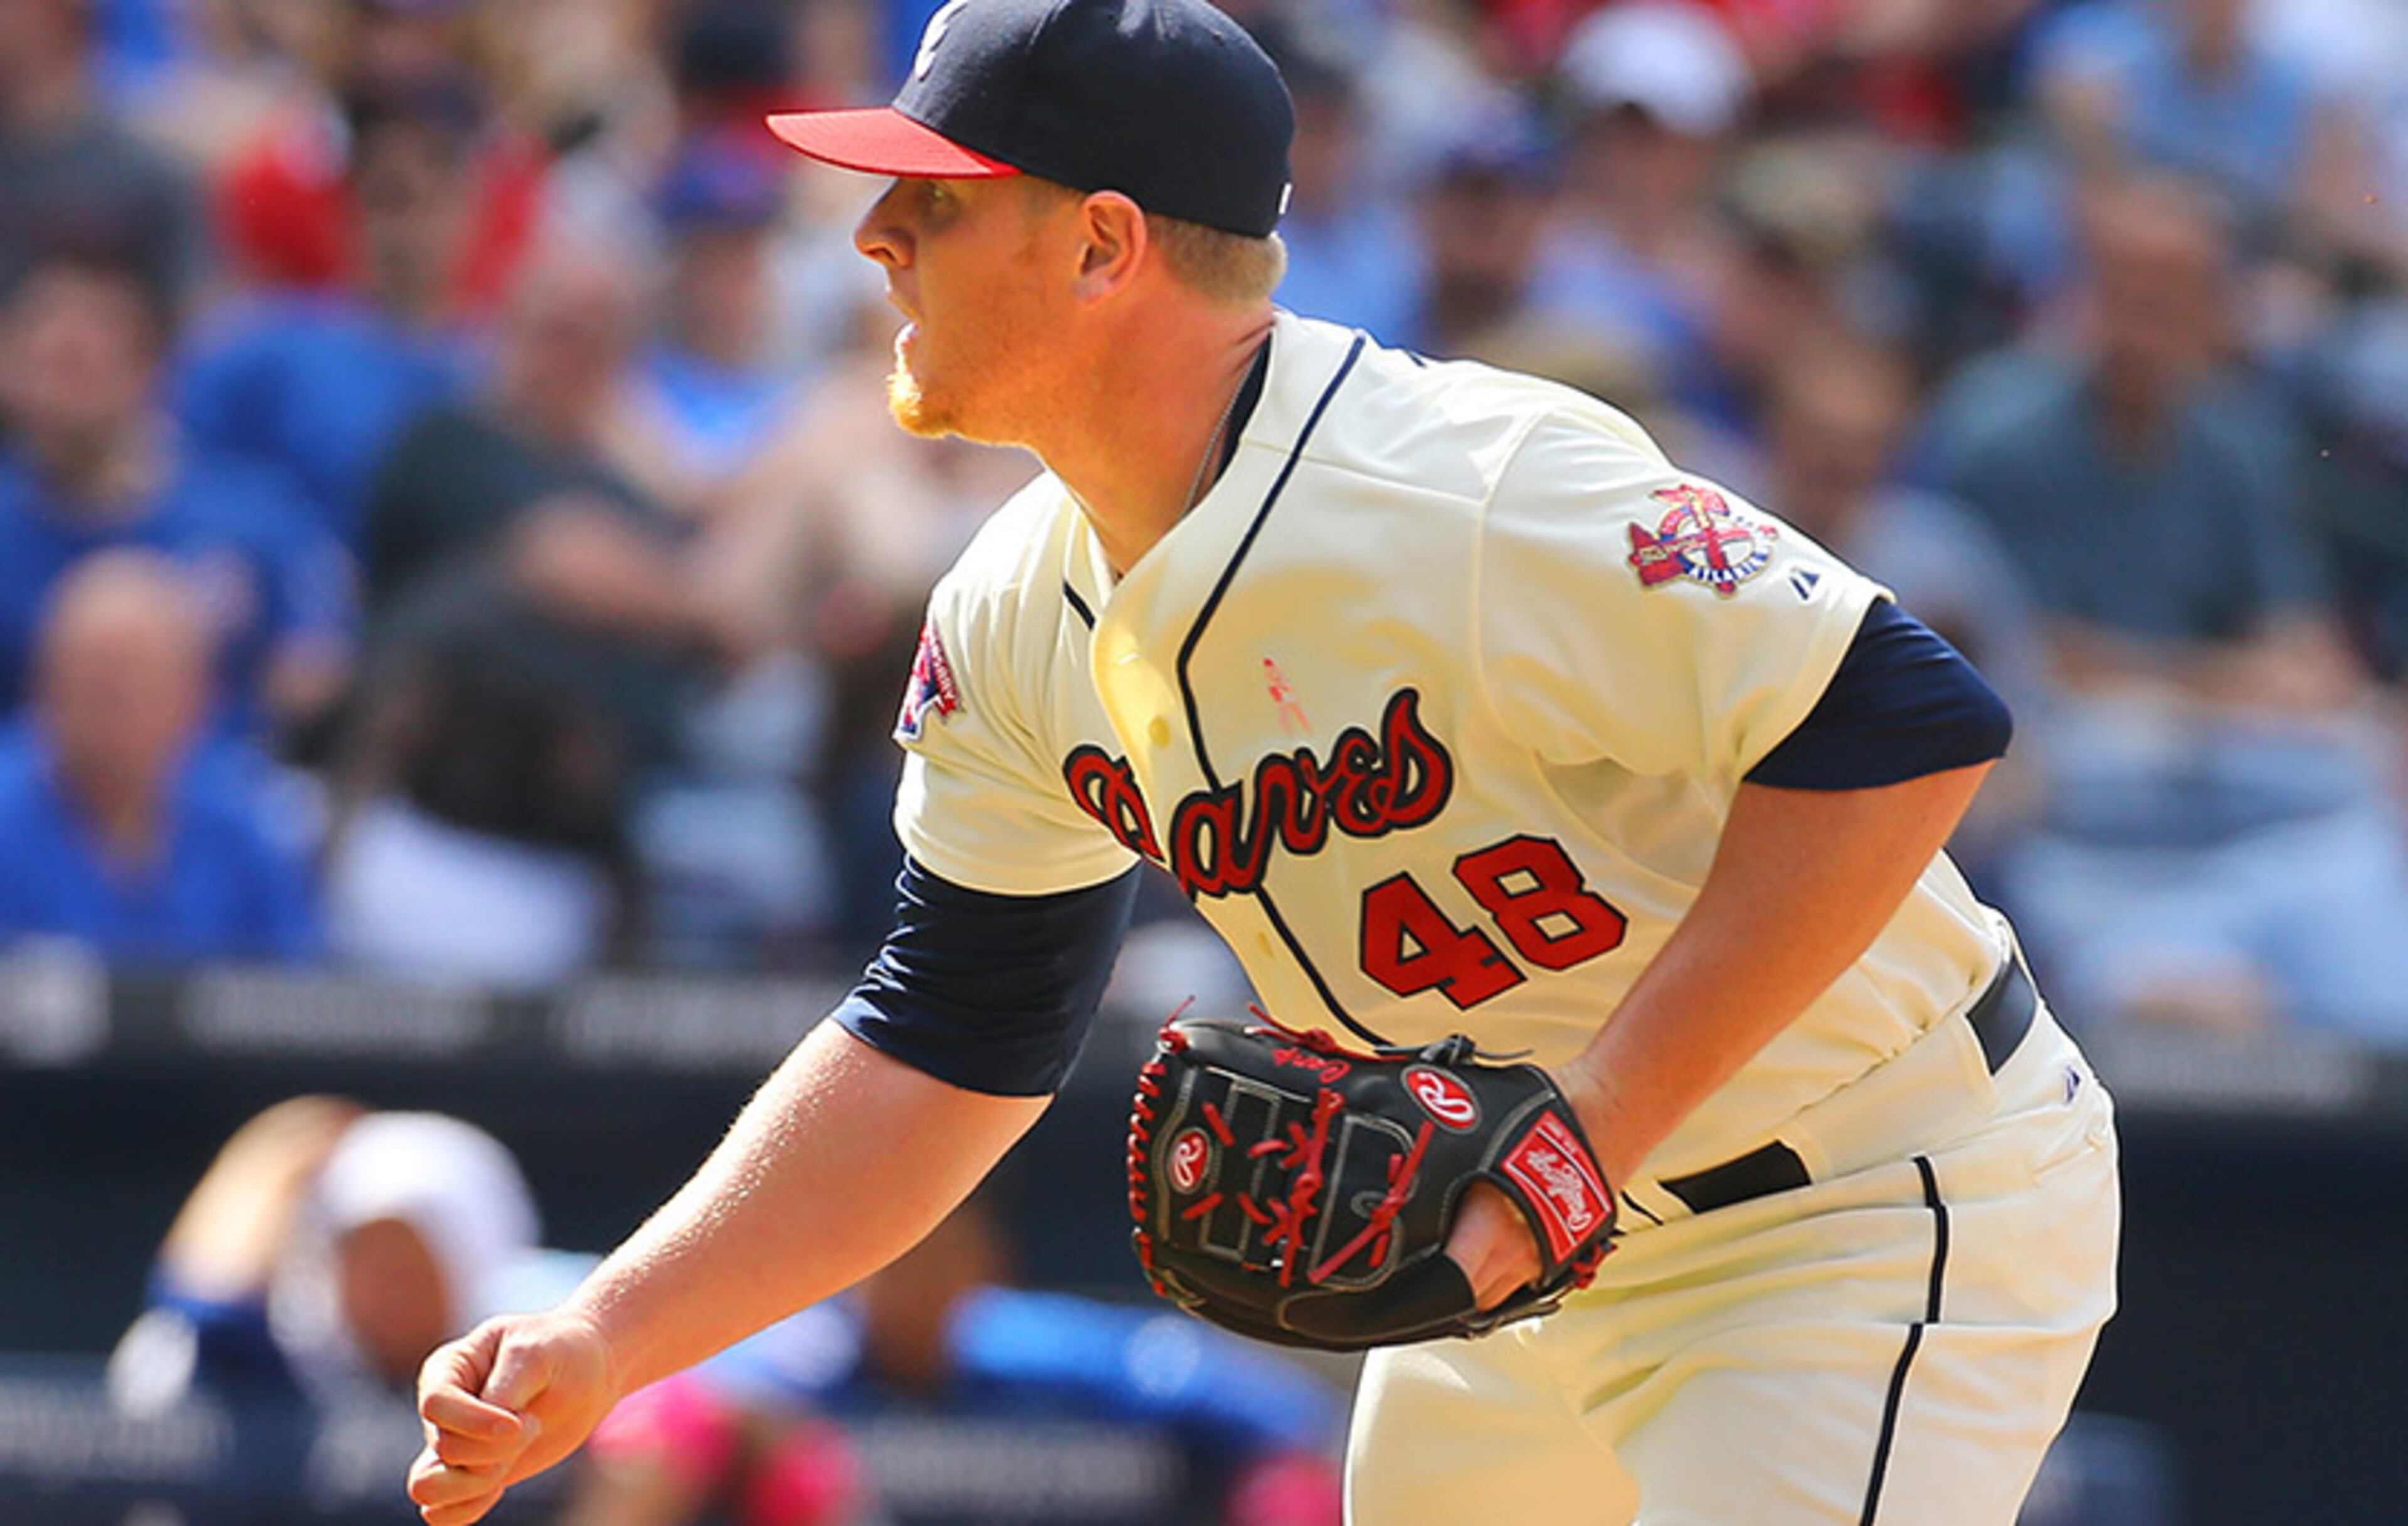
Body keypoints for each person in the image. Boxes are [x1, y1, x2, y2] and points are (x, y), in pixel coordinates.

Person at [408, 4, 2119, 1525]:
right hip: (1514, 1250)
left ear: (1097, 246)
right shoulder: (1017, 612)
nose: (873, 237)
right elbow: (950, 1032)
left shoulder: (1466, 489)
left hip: (1859, 1201)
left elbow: (1909, 726)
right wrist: (609, 1331)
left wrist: (1584, 1142)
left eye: (934, 197)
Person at [0, 548, 320, 964]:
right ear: (43, 688)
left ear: (196, 697)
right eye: (91, 683)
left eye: (132, 686)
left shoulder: (239, 828)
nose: (109, 710)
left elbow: (299, 992)